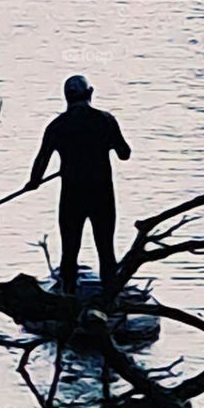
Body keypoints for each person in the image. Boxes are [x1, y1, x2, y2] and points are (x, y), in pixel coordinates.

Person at [27, 75, 131, 297]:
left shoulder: (57, 126)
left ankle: (67, 300)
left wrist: (33, 182)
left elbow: (41, 161)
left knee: (69, 252)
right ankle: (110, 300)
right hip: (102, 196)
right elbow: (125, 154)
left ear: (66, 97)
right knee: (106, 251)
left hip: (72, 197)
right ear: (91, 93)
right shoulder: (105, 120)